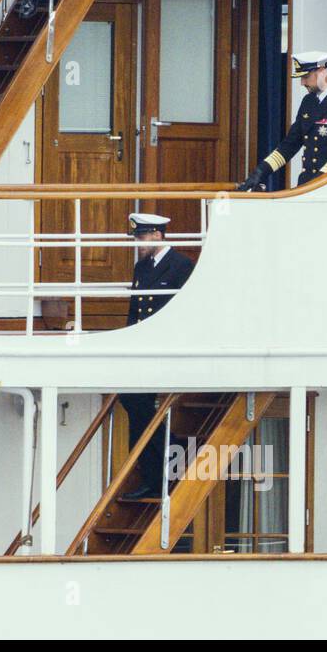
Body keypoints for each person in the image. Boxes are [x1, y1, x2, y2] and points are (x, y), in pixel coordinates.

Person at [118, 213, 194, 502]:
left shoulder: (182, 266)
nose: (137, 243)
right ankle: (169, 449)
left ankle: (154, 476)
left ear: (157, 235)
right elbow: (135, 312)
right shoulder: (141, 268)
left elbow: (186, 313)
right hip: (143, 350)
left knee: (137, 403)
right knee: (133, 401)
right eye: (136, 238)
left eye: (141, 237)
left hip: (167, 350)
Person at [236, 51, 327, 192]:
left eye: (306, 77)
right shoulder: (308, 102)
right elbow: (290, 144)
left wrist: (317, 182)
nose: (302, 83)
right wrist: (259, 173)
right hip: (306, 184)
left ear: (322, 71)